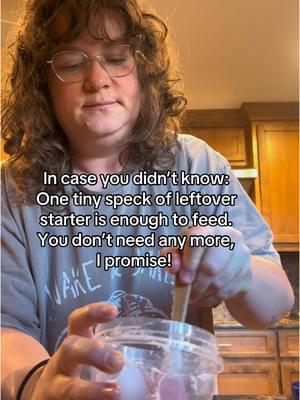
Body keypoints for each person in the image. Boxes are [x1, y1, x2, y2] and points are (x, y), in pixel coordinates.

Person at [1, 0, 294, 399]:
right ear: (42, 85)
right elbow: (7, 328)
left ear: (143, 73)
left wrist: (240, 270)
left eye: (117, 57)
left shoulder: (194, 163)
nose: (97, 79)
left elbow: (273, 305)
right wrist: (38, 383)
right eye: (71, 63)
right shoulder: (11, 191)